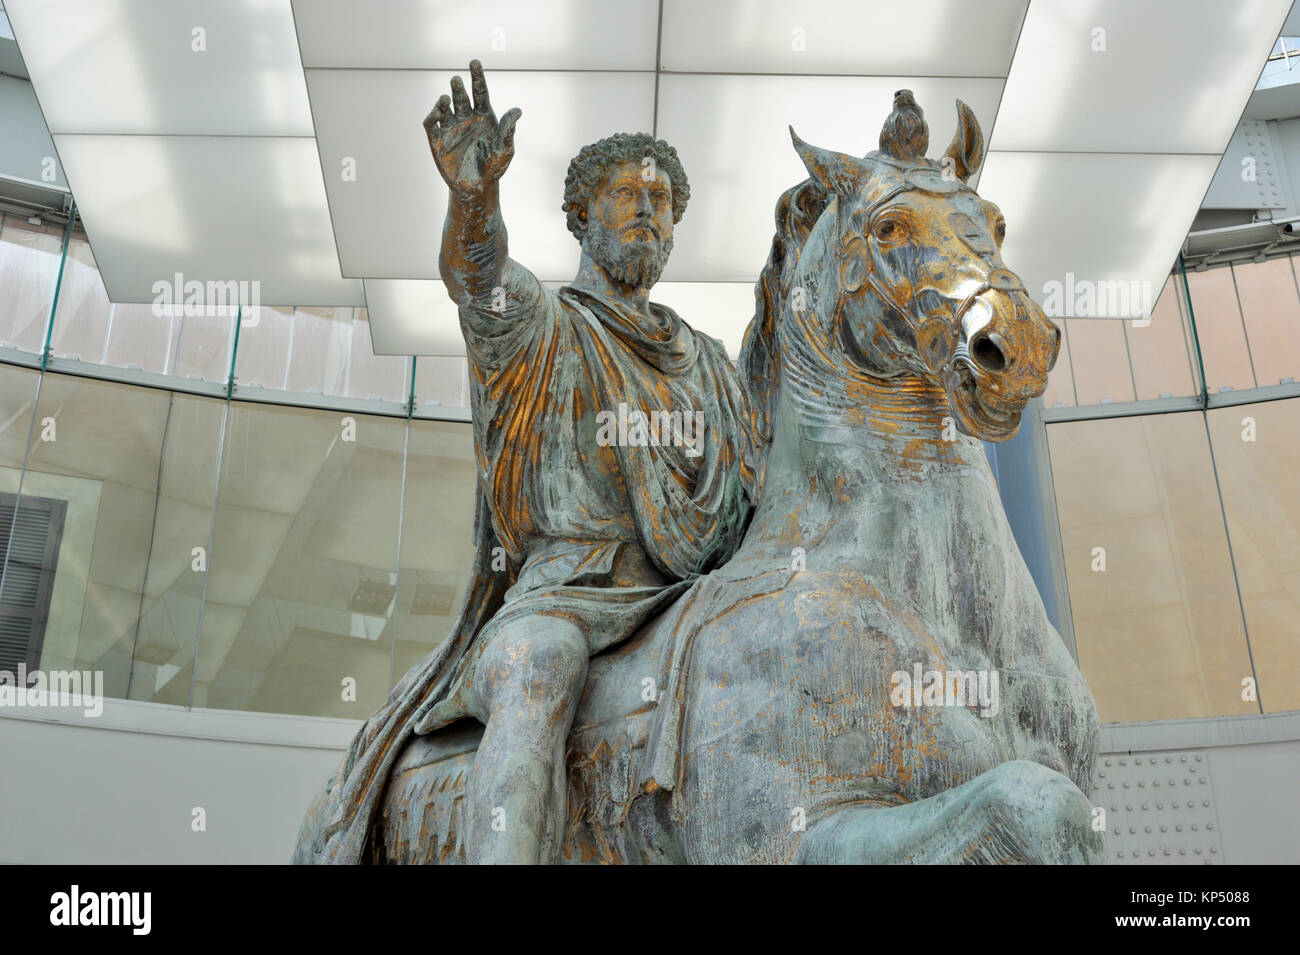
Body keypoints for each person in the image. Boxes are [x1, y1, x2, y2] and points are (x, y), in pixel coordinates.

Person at [306, 60, 757, 864]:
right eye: (627, 195)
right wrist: (473, 200)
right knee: (538, 667)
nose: (647, 211)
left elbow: (756, 493)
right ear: (582, 217)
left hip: (690, 598)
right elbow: (478, 281)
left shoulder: (712, 363)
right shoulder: (545, 327)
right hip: (566, 594)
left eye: (661, 201)